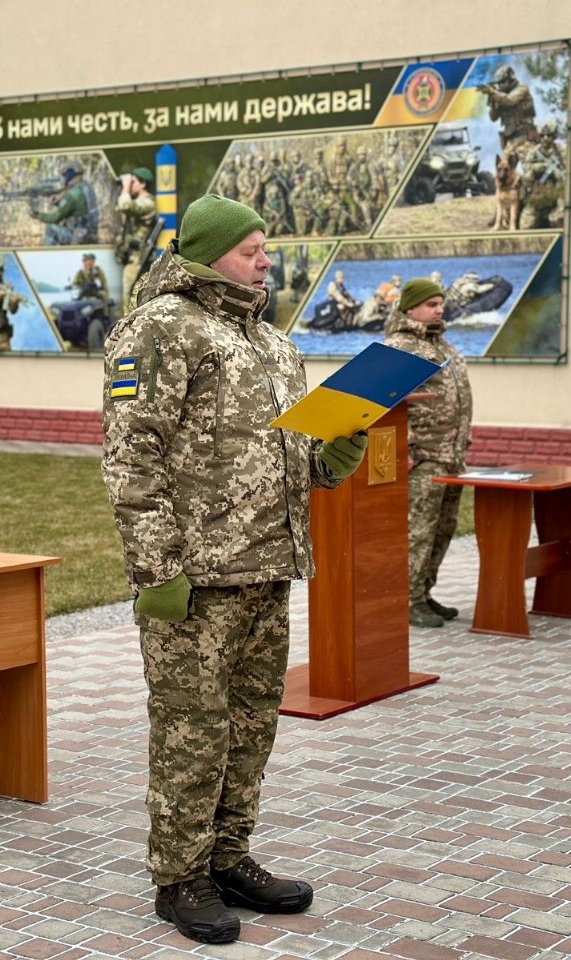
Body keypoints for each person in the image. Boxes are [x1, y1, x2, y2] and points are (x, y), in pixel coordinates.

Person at [101, 194, 368, 944]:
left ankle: (227, 856)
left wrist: (338, 443)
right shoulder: (160, 330)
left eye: (265, 248)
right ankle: (179, 877)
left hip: (266, 567)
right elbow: (132, 457)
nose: (265, 260)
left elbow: (298, 458)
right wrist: (156, 571)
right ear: (209, 253)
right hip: (195, 577)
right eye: (251, 249)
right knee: (191, 728)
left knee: (250, 726)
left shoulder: (274, 344)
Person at [383, 278, 473, 628]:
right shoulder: (398, 347)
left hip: (451, 453)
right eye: (431, 304)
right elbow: (385, 403)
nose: (440, 310)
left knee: (443, 528)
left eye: (441, 304)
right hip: (421, 456)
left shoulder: (444, 346)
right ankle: (408, 599)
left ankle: (424, 591)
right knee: (418, 530)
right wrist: (403, 451)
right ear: (410, 308)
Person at [115, 166, 161, 308]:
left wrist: (126, 186)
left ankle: (130, 329)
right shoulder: (137, 202)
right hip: (131, 257)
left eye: (133, 182)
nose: (129, 185)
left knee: (130, 302)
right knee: (128, 300)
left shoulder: (148, 203)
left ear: (143, 184)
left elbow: (125, 206)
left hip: (138, 259)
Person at [480, 64, 536, 161]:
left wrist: (493, 92)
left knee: (529, 170)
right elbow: (493, 117)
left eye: (502, 82)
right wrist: (493, 101)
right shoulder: (500, 97)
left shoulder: (522, 89)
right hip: (511, 140)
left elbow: (510, 100)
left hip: (525, 139)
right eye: (498, 83)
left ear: (509, 80)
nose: (500, 85)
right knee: (504, 169)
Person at [32, 165, 95, 245]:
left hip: (77, 236)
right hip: (89, 233)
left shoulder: (73, 194)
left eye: (65, 175)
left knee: (50, 227)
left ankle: (49, 255)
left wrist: (37, 215)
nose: (64, 178)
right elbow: (76, 207)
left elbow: (55, 217)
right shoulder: (85, 188)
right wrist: (58, 201)